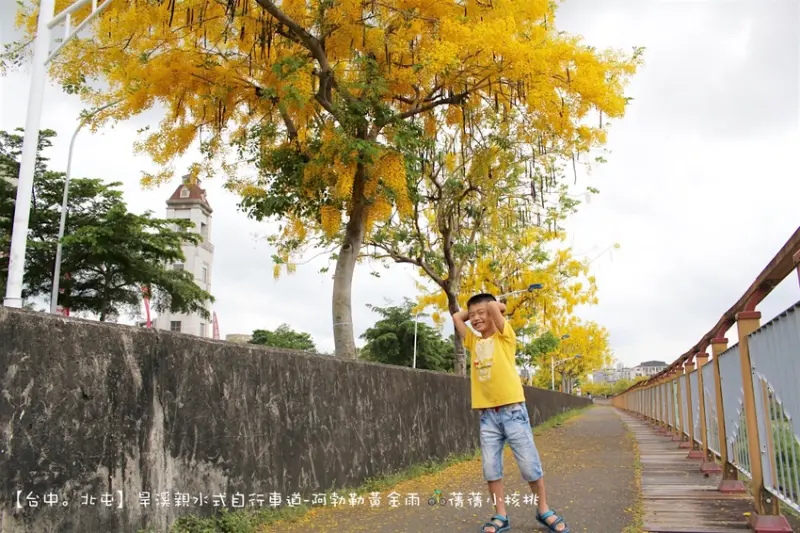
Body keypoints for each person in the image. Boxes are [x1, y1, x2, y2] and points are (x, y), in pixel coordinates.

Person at [452, 293, 570, 533]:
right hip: (488, 416)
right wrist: (475, 310)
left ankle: (544, 509)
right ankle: (500, 515)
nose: (475, 319)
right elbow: (457, 316)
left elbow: (495, 307)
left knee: (529, 465)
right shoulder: (473, 342)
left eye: (481, 314)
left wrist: (492, 307)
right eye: (472, 315)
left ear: (495, 315)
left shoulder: (505, 336)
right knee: (491, 469)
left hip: (513, 411)